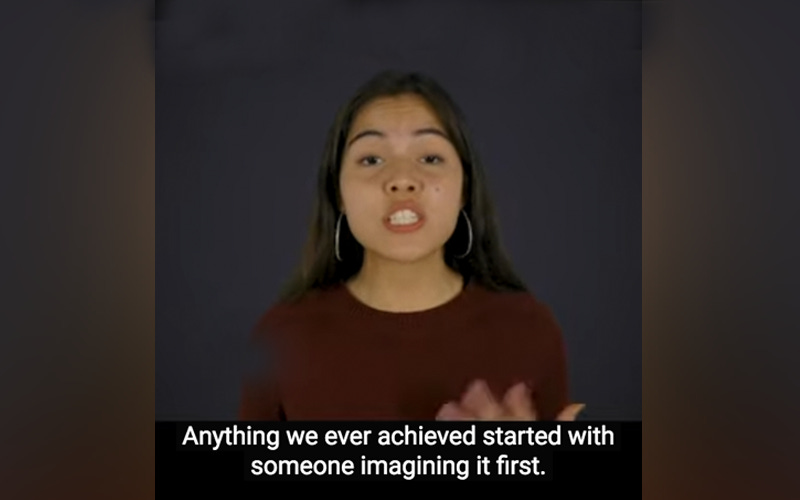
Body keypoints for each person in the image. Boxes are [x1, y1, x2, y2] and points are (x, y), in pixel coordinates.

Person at [239, 70, 584, 421]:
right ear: (338, 194)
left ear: (464, 189)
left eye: (430, 158)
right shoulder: (280, 337)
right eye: (371, 159)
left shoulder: (529, 329)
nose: (402, 179)